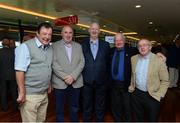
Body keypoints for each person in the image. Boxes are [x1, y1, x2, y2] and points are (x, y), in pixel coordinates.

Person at [15, 22, 53, 122]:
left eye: (49, 34)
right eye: (44, 34)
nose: (47, 37)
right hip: (30, 95)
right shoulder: (25, 47)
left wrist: (48, 84)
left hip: (43, 94)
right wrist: (22, 92)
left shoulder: (49, 48)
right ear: (37, 33)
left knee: (41, 120)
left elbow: (47, 67)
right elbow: (19, 71)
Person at [128, 39, 169, 121]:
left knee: (152, 119)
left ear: (150, 47)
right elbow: (132, 75)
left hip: (152, 96)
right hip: (136, 94)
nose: (142, 47)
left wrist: (160, 95)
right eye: (140, 46)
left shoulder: (159, 60)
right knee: (137, 118)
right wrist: (131, 87)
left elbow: (165, 81)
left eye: (145, 45)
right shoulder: (133, 59)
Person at [52, 25, 85, 122]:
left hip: (76, 82)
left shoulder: (78, 46)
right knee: (59, 109)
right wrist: (66, 77)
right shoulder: (54, 46)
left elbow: (82, 62)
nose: (68, 35)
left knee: (74, 108)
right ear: (61, 33)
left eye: (70, 32)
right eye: (65, 32)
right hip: (60, 83)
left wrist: (73, 76)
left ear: (73, 34)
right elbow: (54, 63)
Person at [82, 22, 110, 121]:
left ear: (99, 31)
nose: (94, 31)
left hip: (101, 82)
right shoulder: (82, 44)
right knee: (86, 105)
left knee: (100, 106)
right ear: (89, 30)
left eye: (96, 29)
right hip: (86, 81)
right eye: (92, 29)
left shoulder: (106, 45)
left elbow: (108, 63)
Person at [110, 33, 137, 121]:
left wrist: (159, 54)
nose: (118, 42)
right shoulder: (110, 51)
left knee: (127, 106)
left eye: (120, 40)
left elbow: (144, 52)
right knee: (115, 105)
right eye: (116, 40)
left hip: (126, 84)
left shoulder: (132, 51)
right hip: (113, 85)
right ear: (114, 42)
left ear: (124, 41)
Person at [0, 37, 18, 112]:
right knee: (14, 92)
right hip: (12, 75)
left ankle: (5, 107)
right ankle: (16, 107)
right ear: (8, 43)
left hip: (2, 75)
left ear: (2, 43)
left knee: (3, 92)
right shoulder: (14, 52)